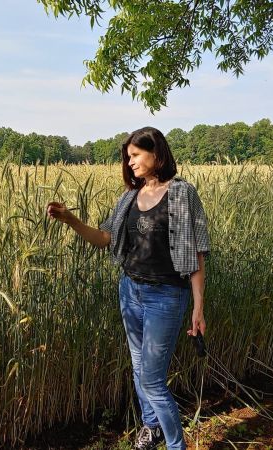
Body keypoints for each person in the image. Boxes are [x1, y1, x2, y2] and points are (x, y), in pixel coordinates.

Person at [46, 126, 211, 450]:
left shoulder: (182, 193)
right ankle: (152, 428)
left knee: (151, 378)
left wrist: (198, 307)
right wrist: (71, 220)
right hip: (130, 291)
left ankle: (177, 445)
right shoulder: (129, 198)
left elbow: (197, 251)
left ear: (156, 153)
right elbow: (104, 238)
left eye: (135, 155)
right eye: (128, 157)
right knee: (138, 369)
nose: (130, 162)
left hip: (166, 296)